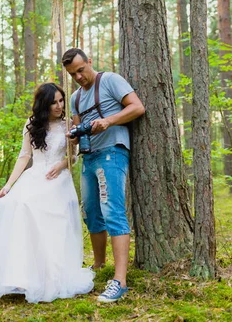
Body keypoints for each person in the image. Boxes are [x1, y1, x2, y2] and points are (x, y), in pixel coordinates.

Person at [0, 82, 95, 304]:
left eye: (61, 100)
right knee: (19, 206)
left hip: (58, 179)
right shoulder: (32, 124)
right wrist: (8, 186)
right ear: (43, 104)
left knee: (38, 212)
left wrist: (63, 165)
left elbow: (74, 156)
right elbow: (24, 156)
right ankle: (20, 277)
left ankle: (50, 277)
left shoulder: (69, 123)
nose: (59, 106)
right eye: (53, 102)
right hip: (35, 176)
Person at [62, 48, 145, 303]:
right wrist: (74, 136)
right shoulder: (75, 98)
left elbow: (138, 107)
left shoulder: (110, 80)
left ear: (89, 62)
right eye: (72, 74)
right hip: (89, 156)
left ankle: (119, 281)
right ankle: (99, 265)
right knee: (91, 213)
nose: (78, 77)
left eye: (80, 70)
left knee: (112, 211)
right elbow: (78, 128)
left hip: (112, 152)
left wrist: (108, 121)